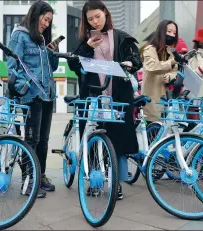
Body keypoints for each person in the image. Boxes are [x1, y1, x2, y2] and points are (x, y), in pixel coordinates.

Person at [67, 0, 142, 200]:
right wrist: (87, 49)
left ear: (106, 14)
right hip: (93, 96)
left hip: (117, 96)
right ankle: (94, 180)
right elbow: (74, 66)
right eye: (90, 19)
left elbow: (137, 60)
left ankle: (115, 183)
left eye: (97, 16)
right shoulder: (85, 42)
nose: (94, 22)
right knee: (92, 136)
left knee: (116, 139)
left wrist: (129, 64)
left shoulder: (121, 37)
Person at [7, 0, 59, 198]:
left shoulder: (42, 40)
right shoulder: (20, 36)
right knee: (31, 140)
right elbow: (12, 65)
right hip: (31, 96)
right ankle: (28, 181)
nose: (46, 24)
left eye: (49, 22)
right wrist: (25, 86)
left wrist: (52, 52)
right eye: (45, 19)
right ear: (35, 15)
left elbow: (51, 68)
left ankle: (40, 175)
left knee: (43, 140)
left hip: (47, 95)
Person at [141, 20, 179, 123]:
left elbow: (175, 70)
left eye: (174, 33)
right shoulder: (150, 49)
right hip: (152, 95)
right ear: (161, 32)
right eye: (169, 31)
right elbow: (152, 67)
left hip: (166, 96)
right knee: (152, 126)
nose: (172, 35)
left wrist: (170, 76)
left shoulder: (170, 51)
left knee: (166, 128)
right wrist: (171, 62)